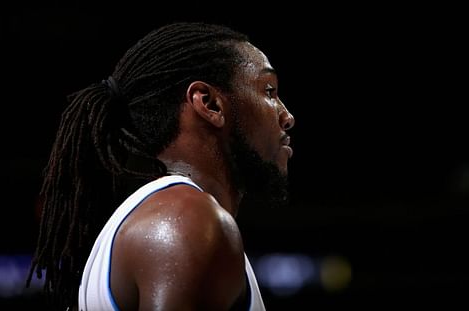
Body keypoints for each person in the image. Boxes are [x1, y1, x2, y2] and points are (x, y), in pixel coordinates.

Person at [26, 22, 295, 310]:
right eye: (269, 91)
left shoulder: (166, 215)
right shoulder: (188, 219)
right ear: (209, 103)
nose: (287, 116)